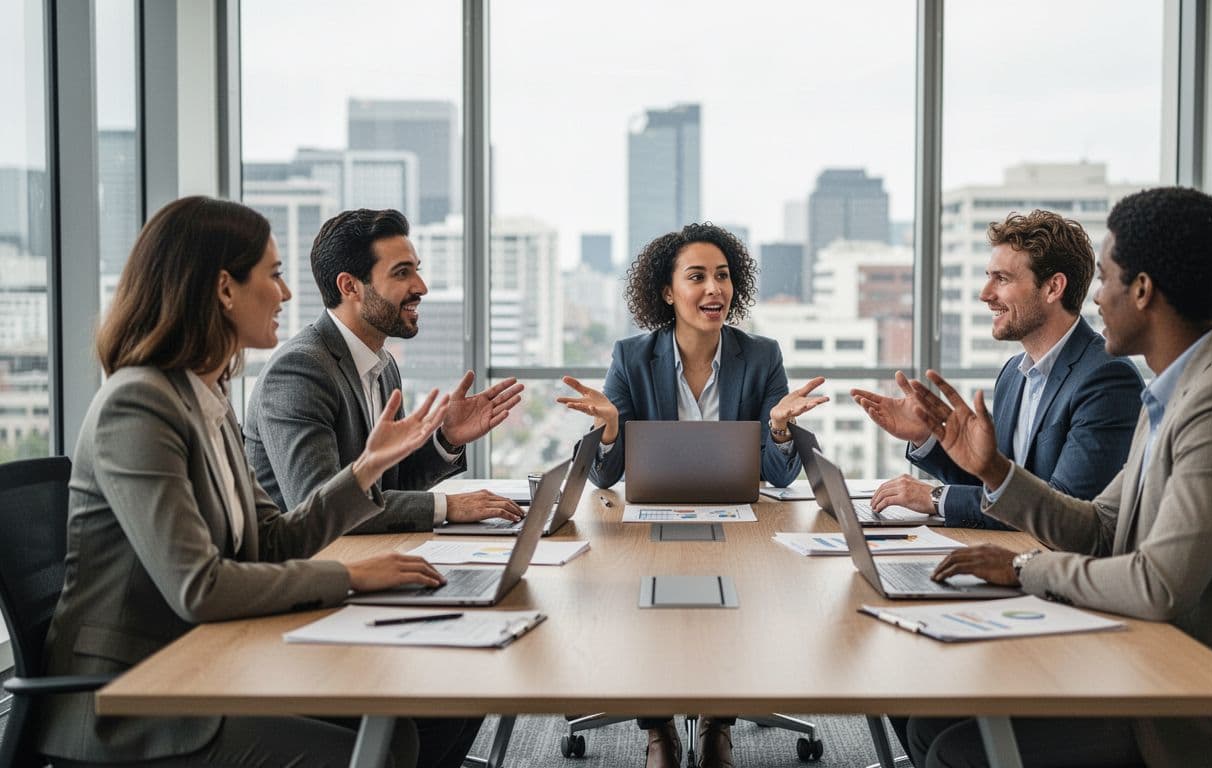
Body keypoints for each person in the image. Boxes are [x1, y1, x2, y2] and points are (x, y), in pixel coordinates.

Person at [35, 196, 480, 767]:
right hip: (138, 699)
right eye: (272, 275)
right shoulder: (138, 404)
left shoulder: (206, 394)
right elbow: (200, 587)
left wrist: (364, 471)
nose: (287, 294)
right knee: (389, 741)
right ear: (224, 290)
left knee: (416, 717)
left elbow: (270, 540)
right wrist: (347, 576)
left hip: (206, 661)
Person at [896, 187, 1212, 768]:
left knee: (959, 749)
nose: (1095, 297)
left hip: (1202, 695)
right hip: (1151, 656)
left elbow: (1159, 585)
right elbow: (1100, 524)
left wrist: (1024, 568)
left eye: (1104, 278)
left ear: (1142, 290)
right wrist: (994, 471)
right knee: (931, 721)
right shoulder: (1175, 391)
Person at [556, 222, 827, 768]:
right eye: (697, 276)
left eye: (723, 277)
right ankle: (658, 730)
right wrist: (610, 429)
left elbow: (778, 475)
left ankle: (716, 726)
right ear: (667, 291)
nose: (714, 290)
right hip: (649, 521)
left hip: (740, 525)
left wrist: (777, 428)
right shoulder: (632, 357)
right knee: (642, 594)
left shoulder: (760, 355)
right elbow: (606, 478)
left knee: (734, 596)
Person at [852, 210, 1142, 528]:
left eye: (1001, 279)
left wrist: (935, 498)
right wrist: (927, 435)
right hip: (1007, 552)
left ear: (1053, 288)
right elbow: (995, 488)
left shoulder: (1107, 378)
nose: (985, 294)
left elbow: (1066, 510)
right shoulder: (1013, 374)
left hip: (1057, 568)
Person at [245, 208, 525, 535]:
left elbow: (389, 486)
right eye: (402, 273)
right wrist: (447, 507)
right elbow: (317, 505)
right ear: (350, 287)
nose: (421, 287)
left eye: (416, 271)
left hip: (368, 554)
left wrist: (444, 439)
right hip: (312, 569)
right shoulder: (300, 371)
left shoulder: (382, 364)